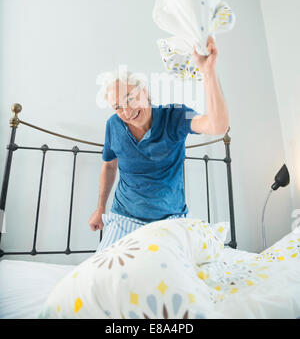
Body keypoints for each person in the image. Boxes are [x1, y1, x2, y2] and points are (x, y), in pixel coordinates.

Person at [89, 36, 229, 251]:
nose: (126, 111)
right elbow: (109, 165)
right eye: (117, 106)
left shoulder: (175, 115)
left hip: (171, 220)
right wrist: (100, 209)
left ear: (144, 91)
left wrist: (208, 71)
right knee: (102, 274)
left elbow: (217, 126)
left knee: (177, 277)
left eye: (129, 98)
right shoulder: (113, 125)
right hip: (123, 218)